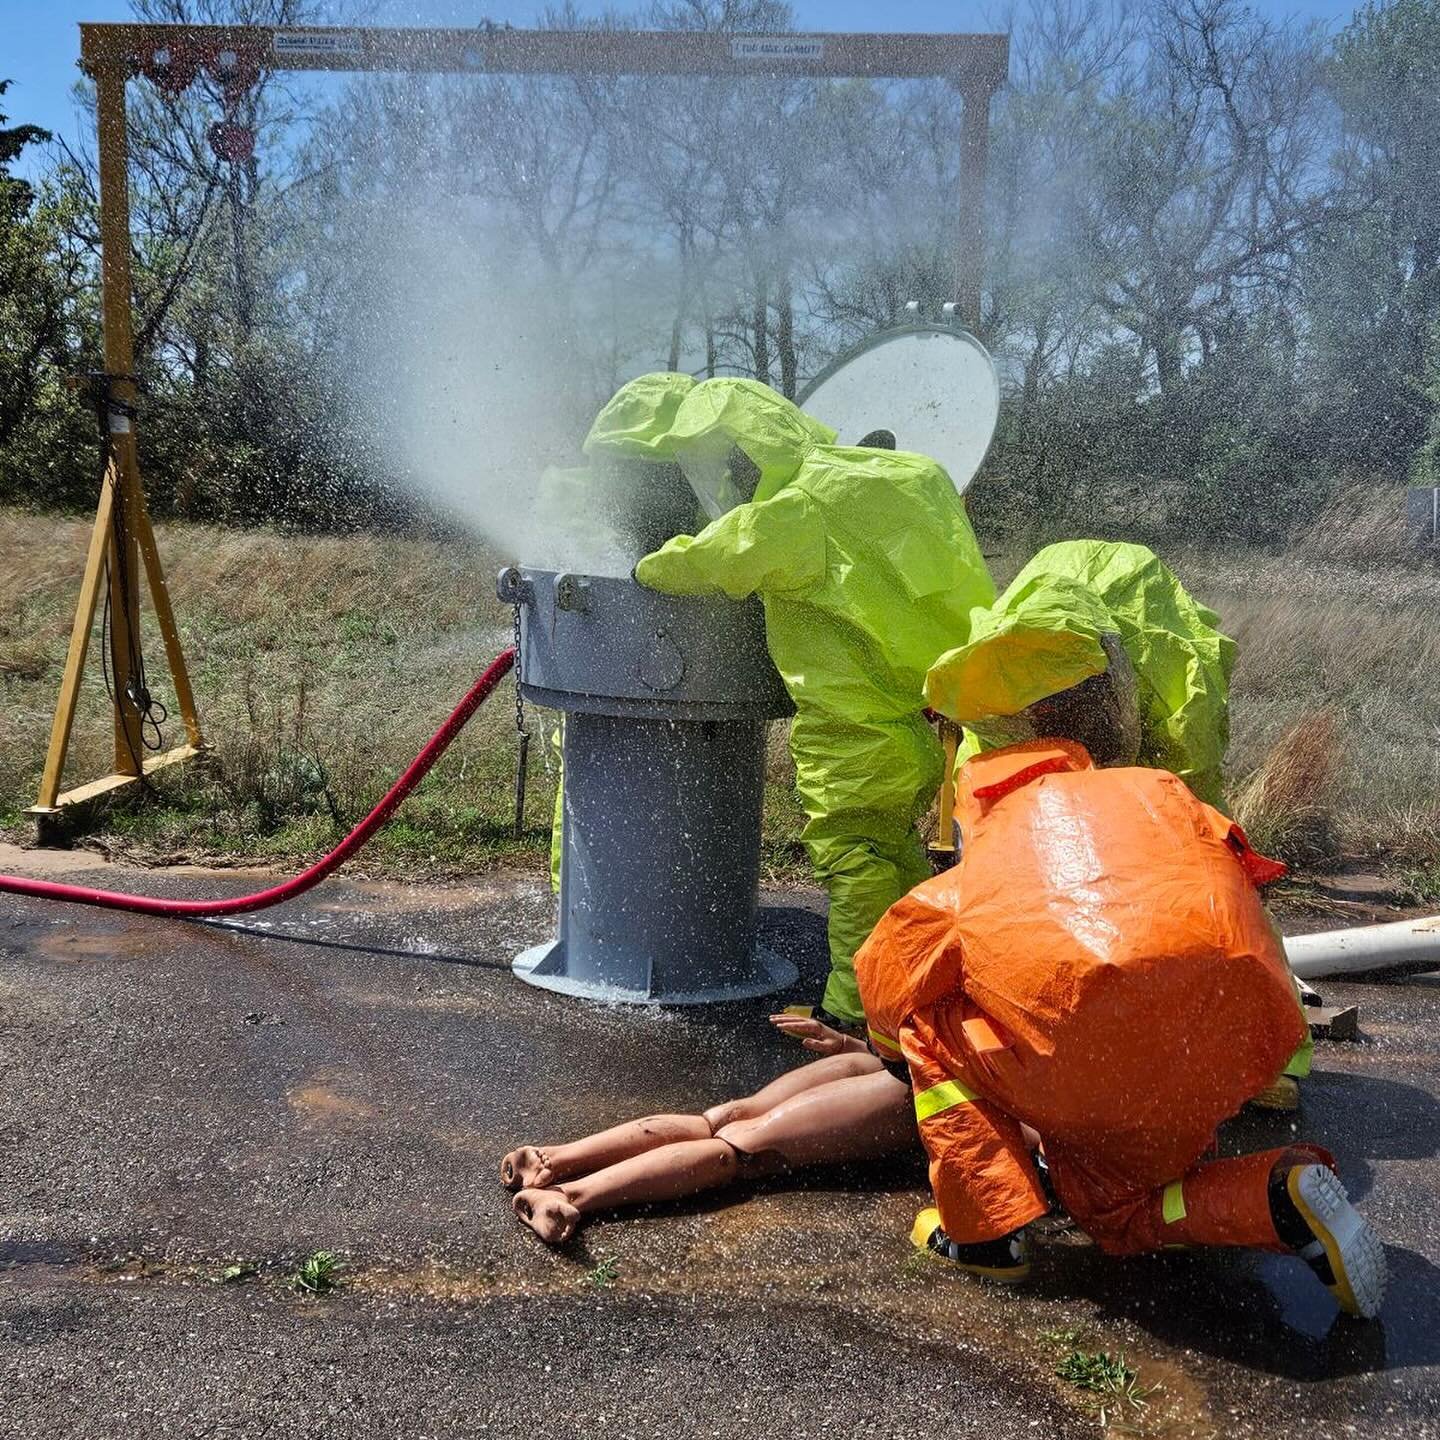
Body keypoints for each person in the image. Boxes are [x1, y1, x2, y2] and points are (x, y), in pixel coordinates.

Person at [855, 642, 1387, 1318]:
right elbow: (1234, 871)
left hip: (1106, 1050)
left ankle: (985, 1231)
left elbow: (886, 973)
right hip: (1241, 1039)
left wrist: (889, 1055)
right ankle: (1271, 1196)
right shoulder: (1155, 793)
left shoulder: (991, 856)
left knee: (923, 1026)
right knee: (1146, 1171)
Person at [630, 376, 996, 1028]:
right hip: (928, 708)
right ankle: (920, 985)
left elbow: (714, 558)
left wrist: (641, 569)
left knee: (852, 855)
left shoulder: (796, 510)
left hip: (851, 723)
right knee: (895, 853)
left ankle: (855, 1018)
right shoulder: (904, 475)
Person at [931, 546, 1313, 1106]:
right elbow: (991, 830)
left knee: (1206, 873)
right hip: (1052, 658)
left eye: (1071, 711)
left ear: (1107, 684)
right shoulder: (999, 682)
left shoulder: (1177, 691)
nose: (1056, 723)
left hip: (1157, 680)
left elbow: (1187, 795)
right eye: (1045, 714)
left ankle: (1275, 1053)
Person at [501, 1013, 913, 1244]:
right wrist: (851, 1045)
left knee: (734, 1131)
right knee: (732, 1132)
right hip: (914, 1078)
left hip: (911, 1072)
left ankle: (555, 1178)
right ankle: (556, 1175)